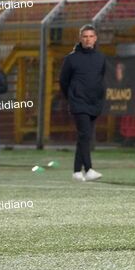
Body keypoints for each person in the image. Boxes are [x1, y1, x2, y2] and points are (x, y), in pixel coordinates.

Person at [59, 25, 106, 182]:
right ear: (80, 38)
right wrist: (72, 96)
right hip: (78, 102)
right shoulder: (71, 59)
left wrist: (99, 98)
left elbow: (100, 78)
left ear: (95, 38)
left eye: (91, 36)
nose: (88, 39)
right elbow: (63, 81)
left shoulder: (100, 58)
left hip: (94, 102)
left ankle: (76, 171)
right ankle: (89, 169)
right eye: (85, 36)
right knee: (85, 135)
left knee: (84, 137)